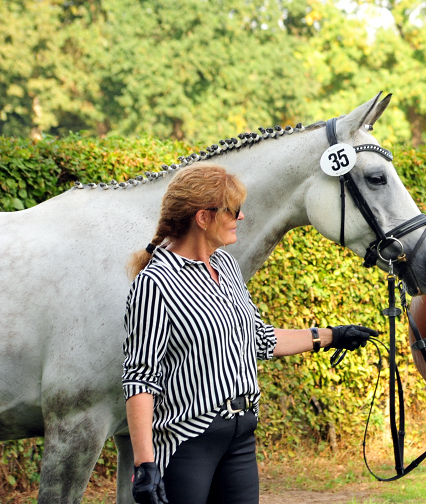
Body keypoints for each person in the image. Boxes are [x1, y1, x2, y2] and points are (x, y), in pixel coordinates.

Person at [122, 162, 377, 504]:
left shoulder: (226, 266)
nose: (240, 218)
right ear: (203, 218)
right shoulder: (155, 284)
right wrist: (145, 464)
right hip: (189, 443)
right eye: (234, 210)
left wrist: (332, 335)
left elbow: (258, 339)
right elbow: (140, 378)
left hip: (241, 437)